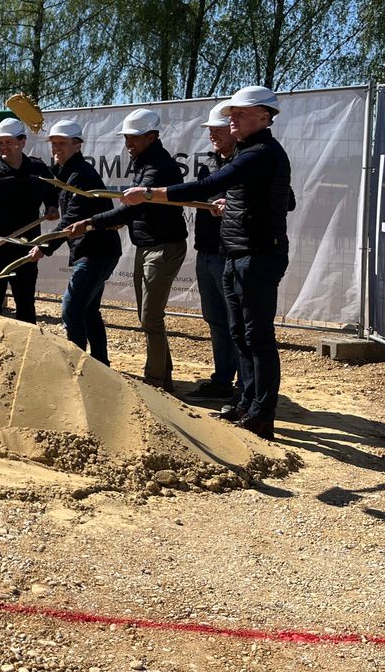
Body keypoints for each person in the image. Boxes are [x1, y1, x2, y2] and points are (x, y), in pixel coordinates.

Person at [122, 86, 294, 441]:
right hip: (234, 254)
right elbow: (228, 188)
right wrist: (234, 203)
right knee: (239, 334)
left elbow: (212, 183)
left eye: (239, 114)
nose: (231, 120)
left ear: (264, 117)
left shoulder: (261, 152)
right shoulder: (246, 151)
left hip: (258, 256)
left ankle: (262, 414)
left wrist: (151, 194)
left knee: (257, 338)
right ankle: (246, 402)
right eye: (231, 114)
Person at [70, 108, 187, 392]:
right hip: (147, 245)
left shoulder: (158, 166)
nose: (128, 144)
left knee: (150, 316)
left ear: (151, 136)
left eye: (133, 138)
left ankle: (156, 381)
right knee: (147, 315)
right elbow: (134, 211)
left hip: (163, 247)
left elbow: (134, 206)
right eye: (126, 138)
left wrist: (92, 223)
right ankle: (163, 375)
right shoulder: (145, 161)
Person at [30, 119, 122, 365]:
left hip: (96, 252)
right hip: (96, 251)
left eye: (62, 144)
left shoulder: (81, 176)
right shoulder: (67, 171)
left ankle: (78, 364)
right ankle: (100, 363)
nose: (56, 148)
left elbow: (71, 220)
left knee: (71, 309)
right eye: (54, 144)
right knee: (89, 309)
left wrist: (44, 247)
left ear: (78, 145)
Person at [0, 117, 58, 322]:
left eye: (9, 142)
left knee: (25, 302)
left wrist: (52, 206)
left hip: (25, 249)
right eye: (0, 143)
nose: (4, 147)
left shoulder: (38, 169)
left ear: (22, 142)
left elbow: (52, 190)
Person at [187, 102, 241, 402]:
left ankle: (245, 387)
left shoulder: (246, 163)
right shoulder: (208, 164)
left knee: (237, 323)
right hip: (206, 251)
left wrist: (228, 203)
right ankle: (222, 381)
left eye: (218, 130)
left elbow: (287, 201)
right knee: (216, 320)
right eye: (211, 130)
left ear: (233, 130)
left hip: (229, 253)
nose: (213, 135)